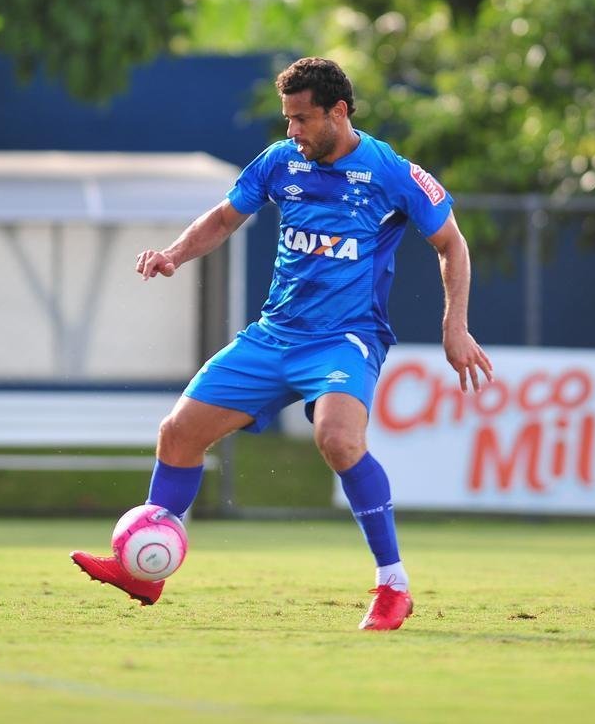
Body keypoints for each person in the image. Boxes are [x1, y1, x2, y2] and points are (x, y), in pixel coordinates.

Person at [71, 57, 493, 631]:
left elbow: (452, 244)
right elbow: (224, 219)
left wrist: (455, 326)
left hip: (345, 338)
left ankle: (393, 585)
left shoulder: (391, 172)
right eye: (287, 119)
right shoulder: (280, 161)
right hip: (274, 334)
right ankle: (145, 568)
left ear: (338, 112)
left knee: (338, 439)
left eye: (302, 118)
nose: (292, 131)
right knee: (178, 433)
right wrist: (173, 254)